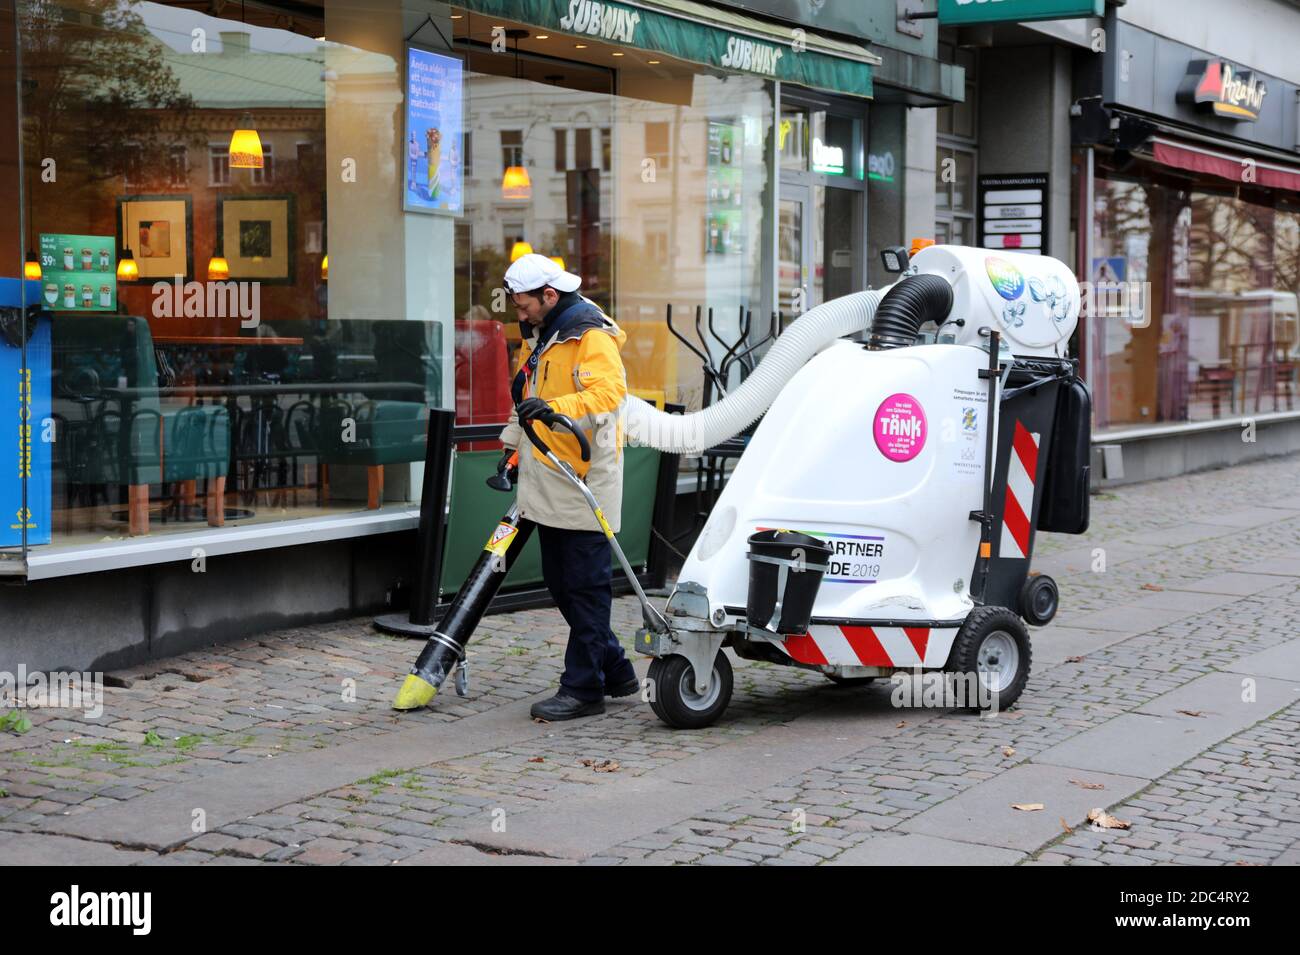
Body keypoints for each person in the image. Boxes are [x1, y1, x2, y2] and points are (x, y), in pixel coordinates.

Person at [497, 254, 639, 721]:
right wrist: (511, 448)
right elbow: (524, 398)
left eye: (524, 306)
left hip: (583, 477)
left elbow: (607, 395)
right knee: (563, 583)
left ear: (549, 296)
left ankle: (583, 689)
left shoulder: (590, 335)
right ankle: (615, 668)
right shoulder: (541, 337)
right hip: (547, 473)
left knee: (585, 587)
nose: (519, 314)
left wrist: (551, 406)